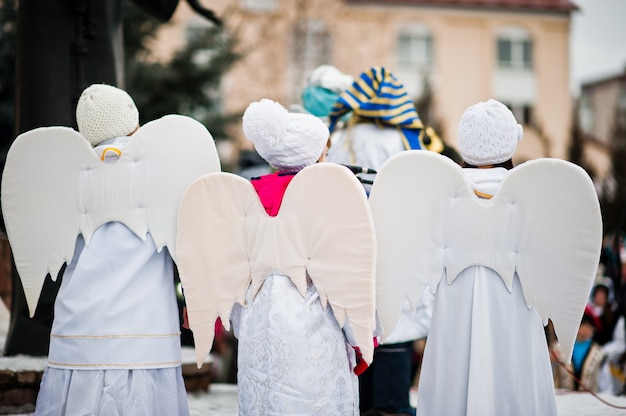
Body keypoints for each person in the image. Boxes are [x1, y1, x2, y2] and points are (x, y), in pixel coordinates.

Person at [367, 99, 602, 416]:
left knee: (456, 373)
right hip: (513, 310)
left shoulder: (438, 194)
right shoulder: (533, 196)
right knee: (514, 376)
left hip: (456, 308)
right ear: (508, 142)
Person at [1, 83, 220, 415]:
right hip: (145, 325)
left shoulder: (66, 174)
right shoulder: (163, 168)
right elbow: (193, 238)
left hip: (81, 325)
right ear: (133, 121)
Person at [176, 98, 377, 415]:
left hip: (259, 330)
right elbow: (346, 273)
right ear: (315, 154)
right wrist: (363, 337)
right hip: (315, 329)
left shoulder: (245, 199)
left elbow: (235, 273)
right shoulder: (329, 197)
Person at [325, 66, 435, 415]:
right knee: (394, 321)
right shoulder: (404, 139)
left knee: (355, 325)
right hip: (394, 240)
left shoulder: (341, 133)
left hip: (348, 240)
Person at [553, 305, 611, 393]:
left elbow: (605, 384)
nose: (585, 329)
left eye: (589, 326)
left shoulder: (599, 353)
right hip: (562, 400)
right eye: (583, 325)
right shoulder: (558, 348)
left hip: (589, 402)